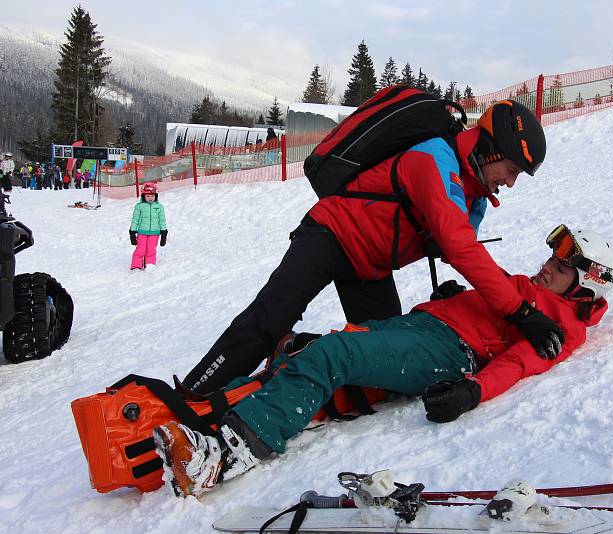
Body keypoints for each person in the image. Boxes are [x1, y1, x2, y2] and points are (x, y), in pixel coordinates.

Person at [154, 225, 613, 497]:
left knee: (336, 353)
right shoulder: (531, 288)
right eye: (551, 261)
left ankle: (221, 458)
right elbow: (496, 299)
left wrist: (472, 390)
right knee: (310, 347)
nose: (546, 269)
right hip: (422, 326)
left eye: (560, 270)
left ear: (585, 286)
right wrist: (459, 299)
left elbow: (519, 363)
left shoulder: (560, 327)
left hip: (446, 352)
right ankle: (217, 415)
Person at [182, 100, 557, 396]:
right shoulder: (434, 159)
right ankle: (191, 397)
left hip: (369, 267)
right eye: (510, 170)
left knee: (384, 352)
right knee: (268, 318)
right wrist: (521, 312)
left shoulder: (472, 196)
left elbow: (454, 248)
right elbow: (460, 248)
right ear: (491, 151)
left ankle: (294, 350)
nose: (509, 183)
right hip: (329, 235)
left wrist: (453, 296)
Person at [129, 182, 168, 270]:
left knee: (151, 249)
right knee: (141, 249)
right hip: (142, 232)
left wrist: (164, 232)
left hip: (155, 233)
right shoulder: (139, 207)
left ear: (156, 196)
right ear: (143, 196)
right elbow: (135, 220)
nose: (150, 198)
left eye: (152, 196)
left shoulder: (159, 207)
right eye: (147, 196)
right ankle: (136, 265)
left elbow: (162, 220)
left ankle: (150, 264)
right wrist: (132, 232)